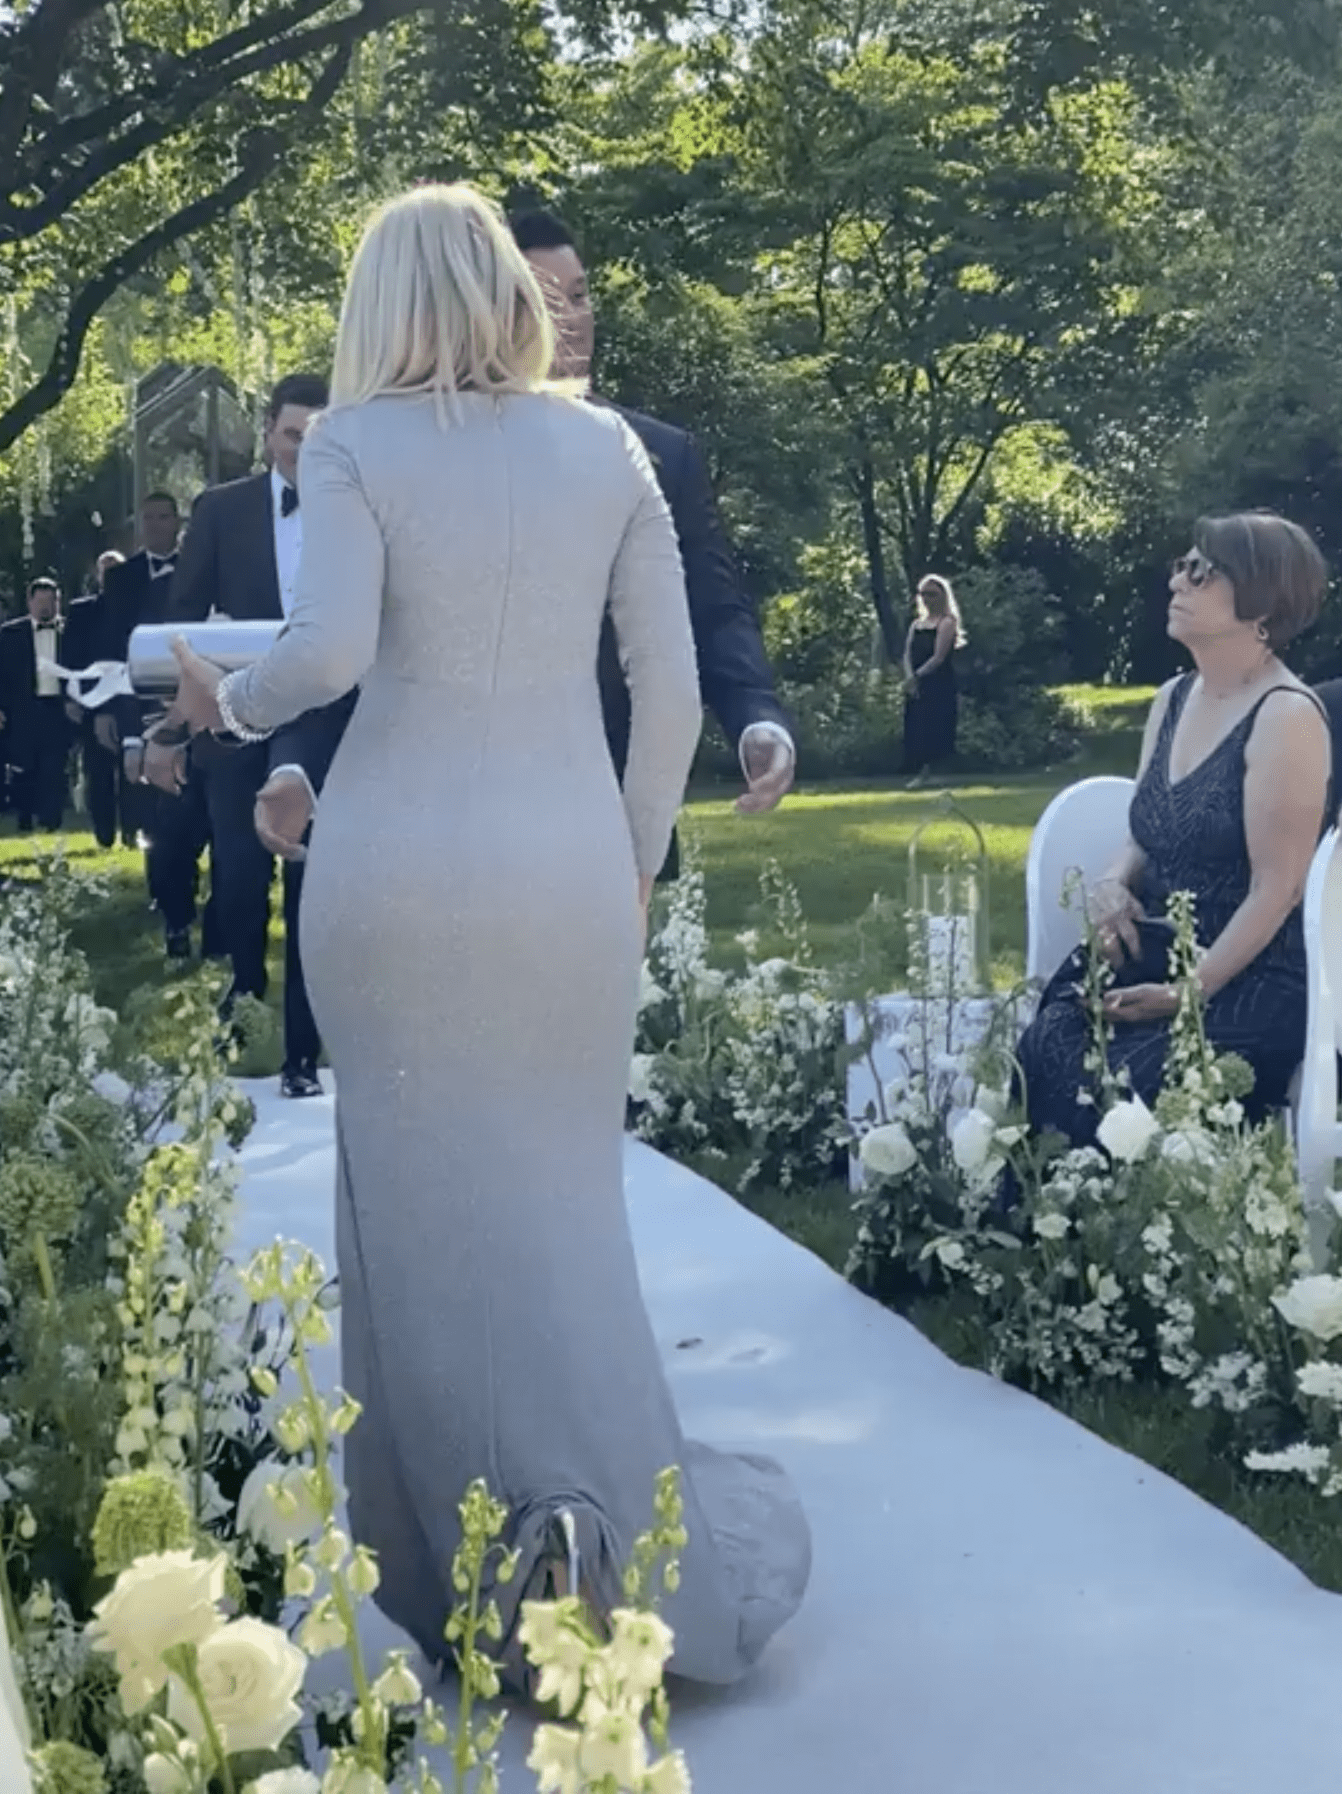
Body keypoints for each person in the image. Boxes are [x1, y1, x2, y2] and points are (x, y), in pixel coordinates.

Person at [168, 181, 809, 1694]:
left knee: (419, 1217)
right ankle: (604, 1544)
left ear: (380, 301)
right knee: (561, 1208)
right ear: (510, 297)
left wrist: (228, 703)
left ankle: (476, 1563)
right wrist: (632, 857)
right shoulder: (605, 450)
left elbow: (324, 651)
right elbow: (667, 693)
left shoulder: (350, 445)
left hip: (388, 869)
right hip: (564, 863)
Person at [1018, 512, 1331, 1146]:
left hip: (1247, 972)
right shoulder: (1173, 699)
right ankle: (1047, 1226)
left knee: (1135, 1077)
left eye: (1200, 571)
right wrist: (1112, 885)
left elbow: (1278, 891)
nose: (1177, 583)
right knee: (1051, 1037)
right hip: (1156, 944)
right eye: (1179, 567)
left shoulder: (1286, 719)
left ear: (1260, 602)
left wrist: (1188, 990)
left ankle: (1123, 1235)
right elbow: (1147, 830)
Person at [164, 375, 328, 1011]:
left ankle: (310, 1018)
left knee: (313, 867)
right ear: (268, 435)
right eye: (292, 435)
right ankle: (245, 994)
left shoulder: (359, 507)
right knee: (237, 869)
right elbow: (181, 616)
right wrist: (175, 725)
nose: (303, 451)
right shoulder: (220, 509)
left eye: (318, 438)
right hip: (234, 718)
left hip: (319, 720)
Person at [101, 494, 222, 960]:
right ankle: (176, 918)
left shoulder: (206, 569)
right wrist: (126, 727)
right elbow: (116, 652)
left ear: (179, 523)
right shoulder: (122, 579)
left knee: (222, 829)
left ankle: (218, 928)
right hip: (153, 713)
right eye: (148, 518)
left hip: (212, 711)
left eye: (164, 517)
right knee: (168, 827)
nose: (156, 525)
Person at [63, 549, 125, 848]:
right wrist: (71, 697)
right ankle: (104, 834)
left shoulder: (137, 605)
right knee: (98, 772)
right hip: (92, 698)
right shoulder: (82, 611)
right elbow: (71, 656)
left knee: (131, 773)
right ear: (97, 575)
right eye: (106, 570)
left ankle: (131, 832)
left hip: (130, 699)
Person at [0, 578, 72, 833]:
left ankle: (51, 820)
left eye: (50, 602)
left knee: (54, 766)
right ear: (30, 602)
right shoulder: (9, 634)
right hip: (23, 708)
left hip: (57, 708)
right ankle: (25, 817)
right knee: (24, 766)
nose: (45, 608)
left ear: (58, 602)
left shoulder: (71, 631)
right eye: (40, 602)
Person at [901, 573, 962, 788]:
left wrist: (918, 676)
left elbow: (938, 657)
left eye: (932, 594)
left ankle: (936, 771)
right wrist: (909, 677)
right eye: (923, 594)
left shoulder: (947, 623)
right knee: (917, 727)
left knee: (936, 725)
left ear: (942, 596)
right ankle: (920, 770)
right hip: (916, 683)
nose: (927, 598)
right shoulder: (917, 625)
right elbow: (907, 654)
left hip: (937, 682)